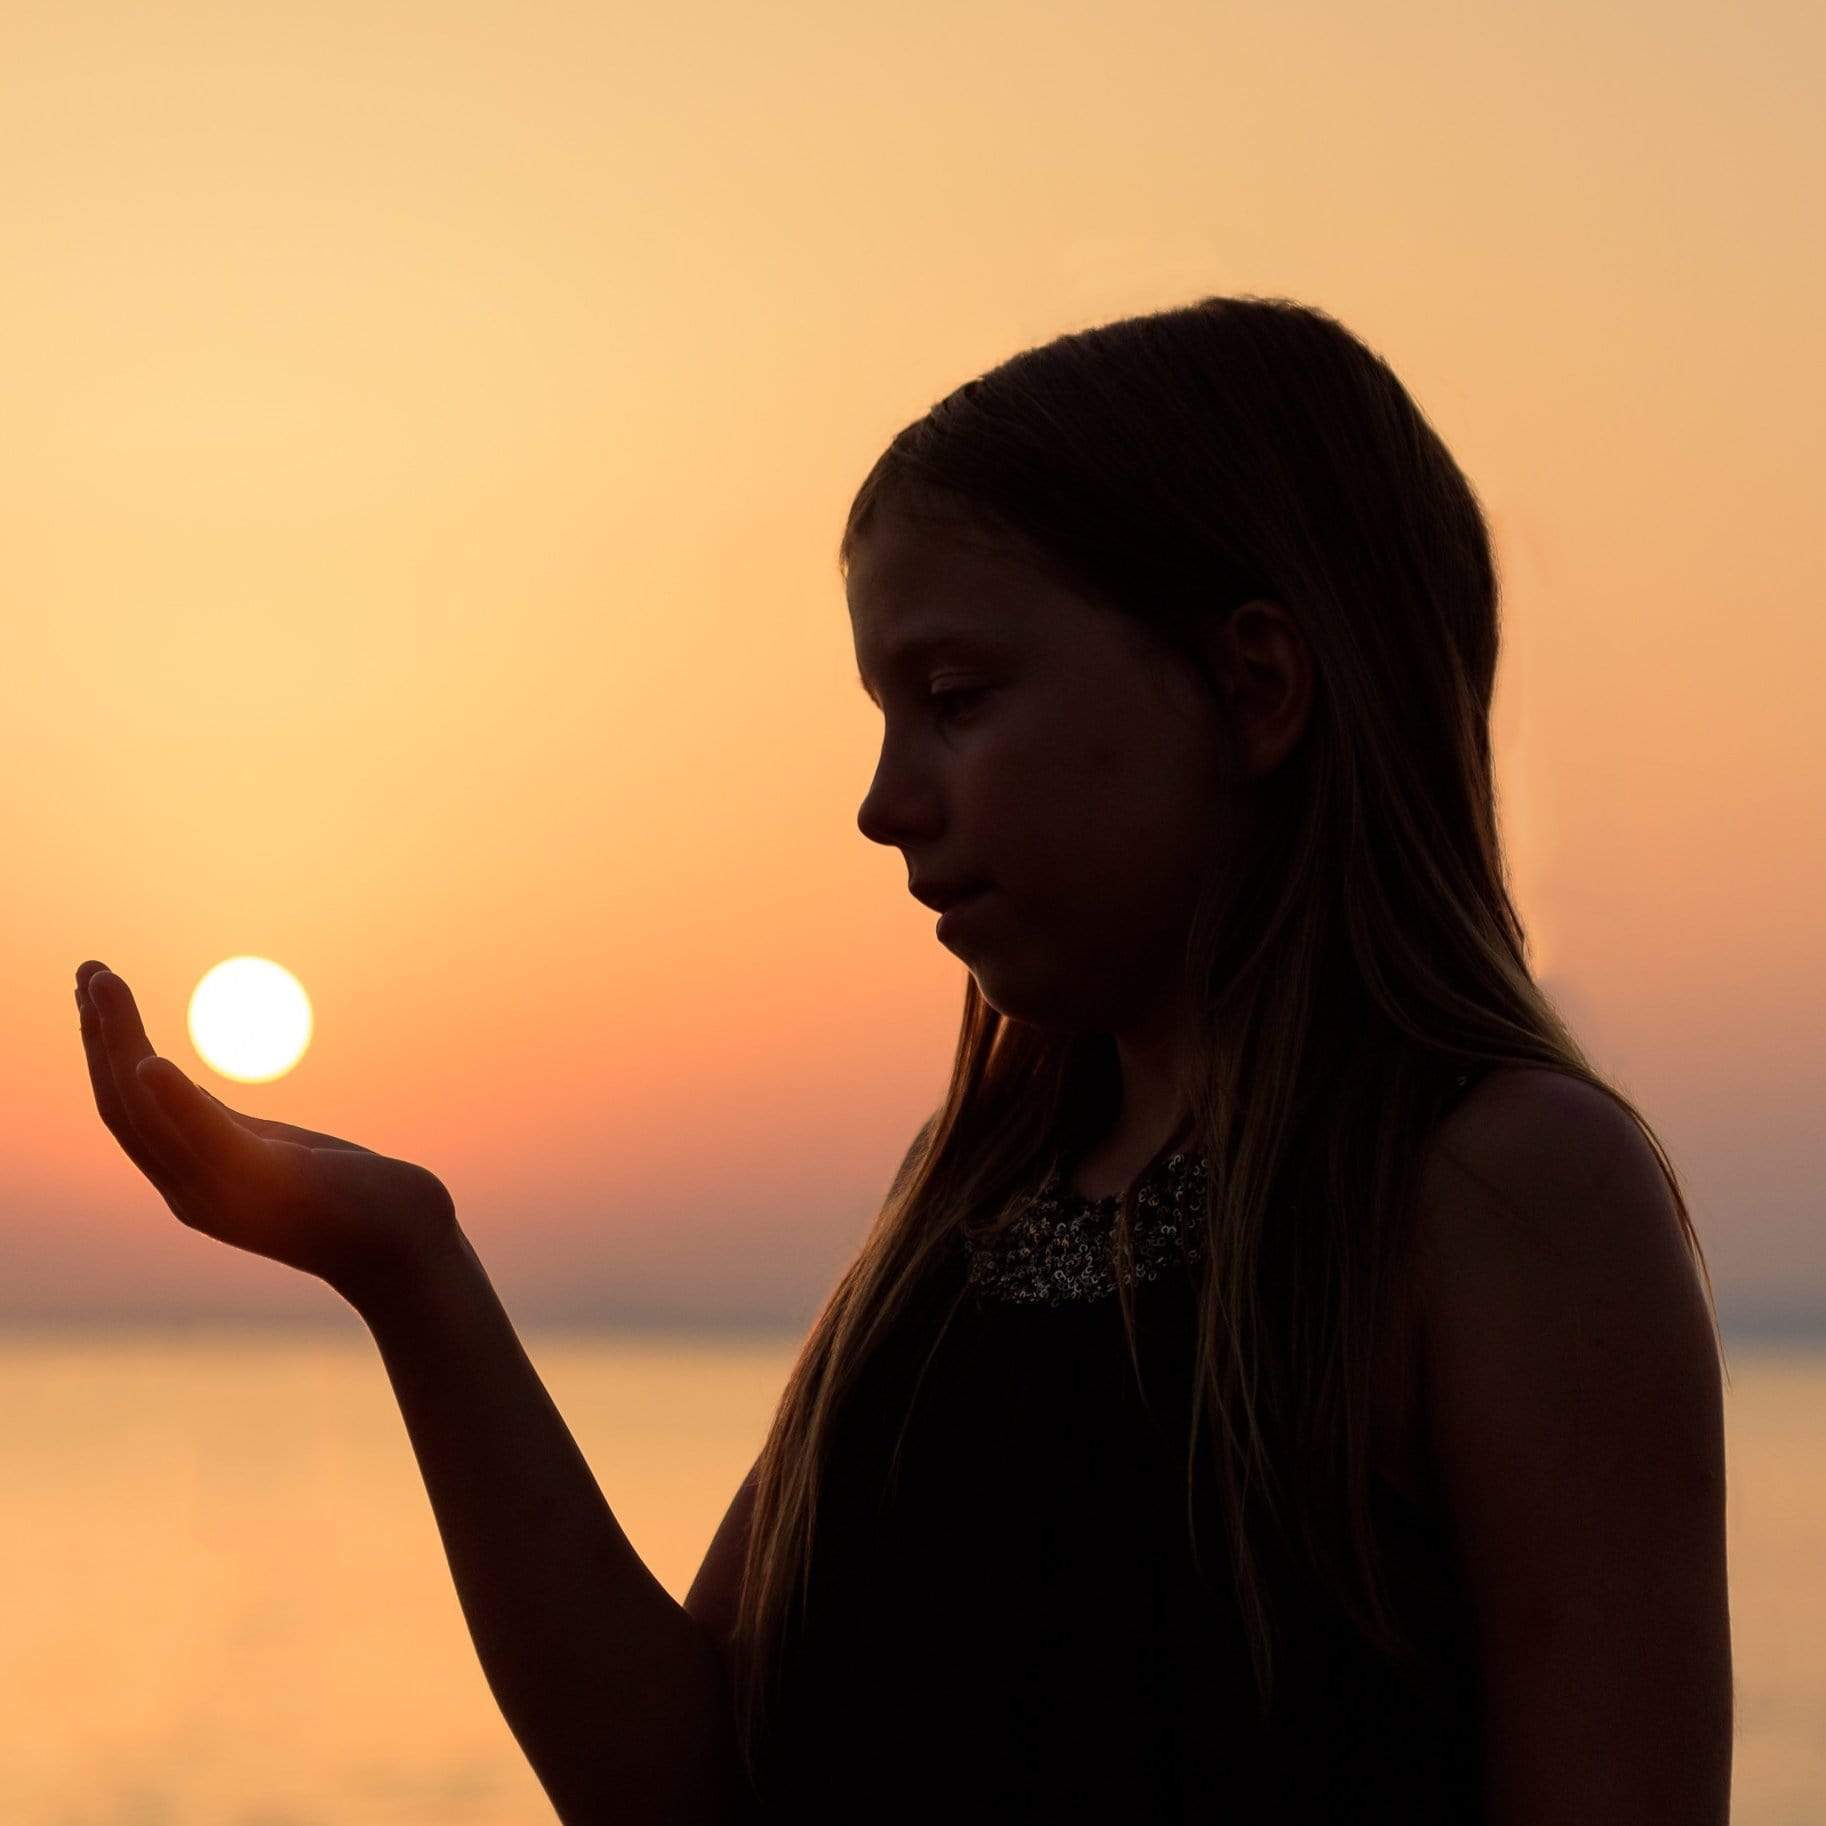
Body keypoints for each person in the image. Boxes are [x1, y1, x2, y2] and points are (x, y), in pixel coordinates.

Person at [75, 293, 1733, 1825]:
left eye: (952, 696)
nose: (884, 801)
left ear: (1254, 686)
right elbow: (679, 1786)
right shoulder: (970, 1207)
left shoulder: (1501, 1185)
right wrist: (411, 1270)